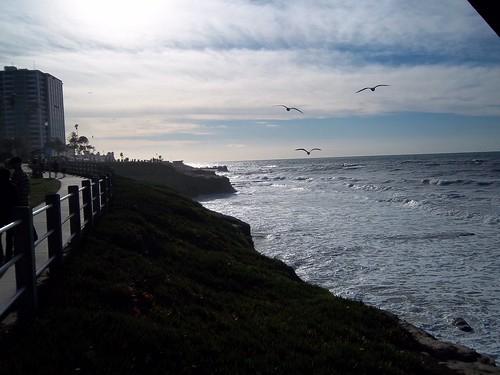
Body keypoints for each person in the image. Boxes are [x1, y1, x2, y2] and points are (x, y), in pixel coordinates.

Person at [8, 157, 38, 242]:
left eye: (13, 164)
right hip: (25, 202)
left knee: (22, 225)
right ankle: (32, 238)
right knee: (26, 223)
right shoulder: (22, 174)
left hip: (20, 203)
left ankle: (31, 239)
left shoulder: (17, 175)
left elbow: (16, 190)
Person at [0, 167, 17, 262]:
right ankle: (9, 254)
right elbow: (16, 200)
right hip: (10, 213)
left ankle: (0, 255)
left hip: (0, 214)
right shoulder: (12, 186)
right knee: (10, 235)